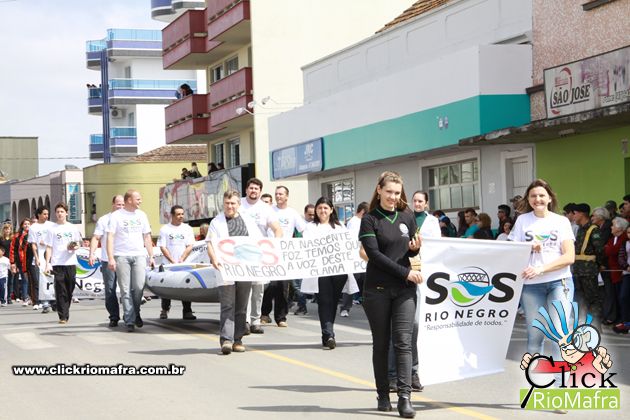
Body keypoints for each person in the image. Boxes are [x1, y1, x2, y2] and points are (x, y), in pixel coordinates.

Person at [359, 171, 421, 417]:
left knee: (404, 342)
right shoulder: (369, 219)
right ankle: (383, 394)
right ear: (379, 190)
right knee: (382, 344)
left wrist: (415, 250)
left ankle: (405, 397)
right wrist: (405, 273)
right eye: (389, 192)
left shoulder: (407, 216)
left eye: (397, 193)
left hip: (405, 290)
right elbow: (374, 255)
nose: (393, 197)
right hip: (378, 290)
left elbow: (409, 251)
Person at [508, 179, 575, 368]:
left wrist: (540, 269)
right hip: (531, 286)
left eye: (541, 195)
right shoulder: (522, 220)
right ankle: (534, 380)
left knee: (558, 334)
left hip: (559, 282)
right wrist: (528, 246)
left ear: (550, 198)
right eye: (533, 196)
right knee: (535, 336)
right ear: (528, 199)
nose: (537, 199)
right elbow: (512, 250)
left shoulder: (561, 221)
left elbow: (569, 256)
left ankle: (561, 381)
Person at [206, 190, 259, 354]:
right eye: (227, 203)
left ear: (238, 204)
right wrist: (213, 258)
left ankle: (238, 339)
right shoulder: (216, 222)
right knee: (227, 305)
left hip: (245, 269)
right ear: (223, 204)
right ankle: (226, 340)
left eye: (233, 203)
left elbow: (258, 242)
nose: (230, 206)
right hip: (225, 269)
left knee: (241, 306)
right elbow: (209, 243)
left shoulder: (248, 221)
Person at [302, 197, 358, 351]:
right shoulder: (310, 228)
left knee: (332, 301)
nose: (322, 211)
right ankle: (329, 334)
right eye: (320, 208)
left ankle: (327, 334)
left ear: (331, 210)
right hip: (320, 271)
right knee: (325, 300)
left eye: (325, 208)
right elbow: (307, 247)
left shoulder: (340, 228)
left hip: (339, 271)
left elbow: (347, 246)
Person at [106, 190, 154, 332]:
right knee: (125, 289)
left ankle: (136, 312)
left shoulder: (142, 215)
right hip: (121, 256)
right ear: (129, 200)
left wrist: (151, 255)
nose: (140, 201)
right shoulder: (116, 216)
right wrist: (110, 258)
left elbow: (147, 237)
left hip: (139, 255)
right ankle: (130, 320)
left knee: (139, 287)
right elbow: (110, 237)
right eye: (138, 199)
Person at [240, 178, 282, 334]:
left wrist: (275, 246)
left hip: (260, 254)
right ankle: (244, 321)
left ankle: (255, 321)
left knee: (258, 289)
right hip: (241, 253)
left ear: (260, 191)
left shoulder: (266, 208)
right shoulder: (238, 204)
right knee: (245, 289)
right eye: (251, 188)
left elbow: (277, 229)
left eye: (256, 189)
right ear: (246, 190)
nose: (253, 191)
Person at [261, 186, 306, 327]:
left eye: (281, 194)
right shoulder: (269, 211)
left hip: (285, 254)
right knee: (269, 285)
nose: (278, 196)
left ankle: (281, 317)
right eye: (276, 194)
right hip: (268, 253)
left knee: (282, 286)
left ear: (287, 196)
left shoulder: (292, 213)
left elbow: (304, 230)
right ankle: (264, 313)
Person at [89, 195, 125, 327]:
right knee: (110, 290)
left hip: (124, 259)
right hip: (107, 260)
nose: (121, 207)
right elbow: (96, 238)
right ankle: (114, 316)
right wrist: (91, 253)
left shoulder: (127, 219)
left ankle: (130, 314)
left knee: (127, 289)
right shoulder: (104, 220)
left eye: (123, 204)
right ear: (113, 204)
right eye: (118, 204)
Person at [44, 203, 82, 324]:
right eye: (58, 212)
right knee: (60, 289)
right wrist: (47, 263)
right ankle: (63, 316)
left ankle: (65, 308)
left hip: (70, 261)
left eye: (62, 212)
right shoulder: (52, 229)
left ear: (66, 213)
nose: (60, 214)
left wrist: (74, 247)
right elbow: (49, 247)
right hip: (57, 262)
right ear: (55, 214)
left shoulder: (72, 228)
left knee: (70, 287)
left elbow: (78, 243)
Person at [158, 205, 196, 320]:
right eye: (178, 214)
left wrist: (182, 258)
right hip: (168, 264)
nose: (181, 216)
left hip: (184, 263)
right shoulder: (165, 229)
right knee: (167, 288)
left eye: (182, 214)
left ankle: (187, 311)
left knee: (185, 287)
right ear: (172, 215)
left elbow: (190, 245)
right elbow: (162, 247)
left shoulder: (187, 228)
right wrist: (172, 260)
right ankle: (165, 309)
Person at [572, 203, 605, 327]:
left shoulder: (593, 229)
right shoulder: (581, 229)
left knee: (592, 299)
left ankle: (595, 325)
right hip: (578, 270)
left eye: (575, 213)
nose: (574, 216)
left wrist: (599, 264)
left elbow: (599, 250)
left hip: (589, 271)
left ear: (582, 214)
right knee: (580, 298)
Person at [339, 202, 369, 318]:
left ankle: (368, 307)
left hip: (363, 259)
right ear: (363, 212)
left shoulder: (359, 221)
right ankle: (345, 308)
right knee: (351, 284)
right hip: (355, 259)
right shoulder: (354, 222)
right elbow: (353, 241)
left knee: (365, 285)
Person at [28, 206, 55, 313]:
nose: (46, 216)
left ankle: (54, 301)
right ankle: (45, 304)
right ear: (38, 215)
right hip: (40, 256)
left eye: (47, 214)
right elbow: (33, 244)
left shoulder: (51, 225)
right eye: (44, 214)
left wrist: (48, 242)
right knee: (42, 281)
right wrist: (36, 257)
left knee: (52, 279)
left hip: (51, 256)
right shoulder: (33, 227)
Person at [603, 217, 628, 325]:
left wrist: (608, 248)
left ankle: (623, 318)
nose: (611, 227)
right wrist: (608, 249)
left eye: (613, 225)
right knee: (616, 295)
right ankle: (618, 317)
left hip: (621, 271)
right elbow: (607, 250)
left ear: (619, 228)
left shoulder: (623, 238)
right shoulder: (613, 238)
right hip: (613, 271)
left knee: (622, 296)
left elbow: (613, 250)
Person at [293, 204, 316, 315]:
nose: (312, 217)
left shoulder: (317, 225)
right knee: (297, 283)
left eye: (313, 214)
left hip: (313, 259)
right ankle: (302, 306)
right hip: (299, 257)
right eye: (309, 214)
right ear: (305, 213)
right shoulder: (298, 226)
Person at [10, 218, 32, 305]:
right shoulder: (17, 236)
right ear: (22, 225)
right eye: (25, 224)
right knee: (24, 279)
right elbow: (13, 249)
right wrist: (13, 262)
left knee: (33, 279)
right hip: (21, 261)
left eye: (28, 224)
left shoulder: (33, 234)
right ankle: (25, 297)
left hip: (31, 259)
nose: (27, 225)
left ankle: (33, 298)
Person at [1, 223, 16, 304]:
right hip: (2, 260)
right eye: (6, 229)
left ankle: (9, 297)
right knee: (2, 279)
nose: (7, 230)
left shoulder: (13, 239)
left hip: (11, 260)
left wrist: (14, 261)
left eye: (9, 229)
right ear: (3, 230)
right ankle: (2, 296)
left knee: (10, 279)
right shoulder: (1, 239)